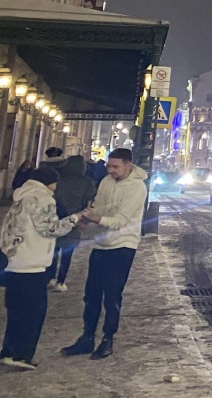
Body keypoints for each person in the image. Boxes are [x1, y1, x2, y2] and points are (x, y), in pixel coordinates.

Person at [62, 148, 146, 361]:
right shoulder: (106, 182)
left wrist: (97, 218)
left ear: (128, 165)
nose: (110, 170)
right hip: (101, 244)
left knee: (112, 295)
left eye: (115, 166)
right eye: (109, 166)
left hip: (123, 246)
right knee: (91, 293)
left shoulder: (137, 188)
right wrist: (86, 220)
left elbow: (121, 220)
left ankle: (108, 338)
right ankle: (87, 337)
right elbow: (99, 207)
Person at [0, 166, 83, 369]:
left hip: (14, 262)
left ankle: (8, 351)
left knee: (16, 311)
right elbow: (50, 229)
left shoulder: (21, 196)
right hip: (32, 264)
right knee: (34, 312)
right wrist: (75, 218)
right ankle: (22, 355)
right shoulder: (42, 198)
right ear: (50, 182)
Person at [49, 155, 97, 290]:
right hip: (75, 220)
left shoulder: (60, 180)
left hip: (57, 218)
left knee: (53, 250)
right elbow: (89, 202)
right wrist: (84, 219)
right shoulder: (87, 182)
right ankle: (61, 282)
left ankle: (51, 277)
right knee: (67, 253)